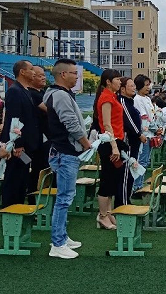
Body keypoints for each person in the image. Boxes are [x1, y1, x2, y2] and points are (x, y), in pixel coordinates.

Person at [44, 59, 91, 259]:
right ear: (63, 74)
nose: (77, 77)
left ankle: (61, 235)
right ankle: (57, 243)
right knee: (64, 199)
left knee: (65, 198)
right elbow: (70, 123)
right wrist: (85, 142)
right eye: (74, 73)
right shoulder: (60, 95)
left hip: (63, 150)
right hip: (66, 152)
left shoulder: (55, 94)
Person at [1, 60, 40, 208]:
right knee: (14, 178)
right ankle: (9, 209)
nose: (34, 72)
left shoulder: (25, 90)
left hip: (27, 144)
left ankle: (17, 206)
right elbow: (14, 119)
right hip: (18, 145)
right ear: (22, 72)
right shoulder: (14, 91)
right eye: (31, 69)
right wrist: (17, 144)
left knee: (22, 177)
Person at [94, 69, 128, 230]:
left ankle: (108, 212)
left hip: (116, 141)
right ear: (108, 81)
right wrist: (114, 146)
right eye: (117, 79)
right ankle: (102, 216)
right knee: (107, 180)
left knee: (113, 179)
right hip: (109, 143)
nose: (120, 82)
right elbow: (107, 124)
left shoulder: (113, 97)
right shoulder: (106, 98)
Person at [119, 77, 146, 200]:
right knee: (127, 172)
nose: (134, 87)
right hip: (128, 141)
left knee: (131, 170)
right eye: (131, 86)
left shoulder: (130, 101)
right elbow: (128, 121)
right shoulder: (123, 102)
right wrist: (139, 134)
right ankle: (123, 201)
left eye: (134, 85)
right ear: (123, 89)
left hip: (134, 142)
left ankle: (127, 198)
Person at [28, 66, 50, 205]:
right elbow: (49, 111)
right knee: (36, 172)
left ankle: (43, 202)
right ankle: (33, 202)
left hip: (46, 140)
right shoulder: (31, 94)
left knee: (45, 171)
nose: (43, 77)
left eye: (44, 75)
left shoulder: (42, 92)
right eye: (39, 75)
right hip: (36, 141)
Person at [133, 74, 155, 190]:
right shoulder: (137, 99)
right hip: (144, 134)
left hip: (150, 133)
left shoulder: (147, 98)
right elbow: (143, 117)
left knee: (145, 161)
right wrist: (154, 127)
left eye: (149, 85)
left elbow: (152, 114)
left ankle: (139, 184)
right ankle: (137, 185)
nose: (148, 88)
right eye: (146, 85)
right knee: (141, 161)